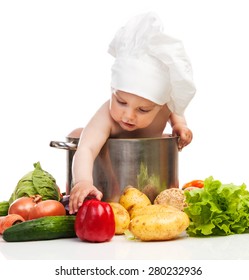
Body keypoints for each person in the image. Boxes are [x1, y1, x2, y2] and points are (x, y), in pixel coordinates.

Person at [68, 12, 196, 214]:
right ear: (112, 90)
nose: (128, 115)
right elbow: (86, 149)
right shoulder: (107, 116)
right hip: (110, 182)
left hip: (148, 179)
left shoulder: (165, 105)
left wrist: (180, 125)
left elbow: (175, 108)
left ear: (160, 103)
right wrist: (83, 182)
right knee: (81, 135)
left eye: (143, 110)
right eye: (120, 101)